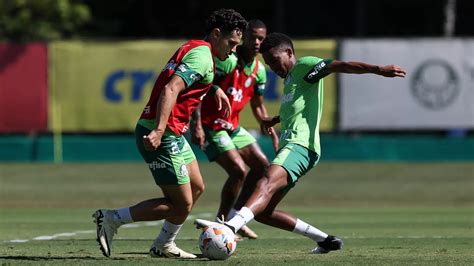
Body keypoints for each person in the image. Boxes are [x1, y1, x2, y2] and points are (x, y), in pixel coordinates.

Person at [196, 32, 406, 253]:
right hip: (294, 148)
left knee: (265, 181)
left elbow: (339, 65)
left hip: (300, 146)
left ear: (289, 53)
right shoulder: (290, 80)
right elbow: (296, 110)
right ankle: (326, 240)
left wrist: (378, 69)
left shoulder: (305, 66)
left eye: (276, 60)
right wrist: (275, 119)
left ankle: (230, 227)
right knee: (265, 213)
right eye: (269, 64)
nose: (273, 67)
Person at [92, 9, 247, 259]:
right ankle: (111, 218)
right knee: (180, 203)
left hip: (173, 134)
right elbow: (171, 88)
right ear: (216, 34)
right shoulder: (203, 57)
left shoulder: (195, 48)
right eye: (231, 44)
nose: (233, 51)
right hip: (163, 135)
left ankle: (164, 244)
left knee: (197, 187)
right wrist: (159, 130)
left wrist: (213, 87)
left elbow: (187, 83)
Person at [191, 19, 278, 240]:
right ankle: (221, 224)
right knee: (239, 170)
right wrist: (197, 124)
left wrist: (266, 123)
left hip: (233, 127)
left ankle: (234, 216)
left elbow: (257, 104)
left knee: (262, 167)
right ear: (243, 36)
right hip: (213, 126)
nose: (257, 42)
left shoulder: (259, 70)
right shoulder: (227, 61)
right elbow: (201, 88)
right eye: (253, 37)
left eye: (262, 38)